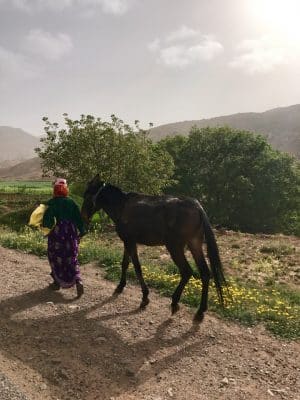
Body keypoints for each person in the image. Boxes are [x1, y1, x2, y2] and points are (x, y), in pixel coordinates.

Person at [42, 178, 86, 298]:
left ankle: (57, 282)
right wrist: (81, 232)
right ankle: (78, 280)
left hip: (57, 233)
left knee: (55, 256)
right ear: (66, 190)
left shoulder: (51, 203)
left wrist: (45, 230)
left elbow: (47, 220)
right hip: (71, 232)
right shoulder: (72, 203)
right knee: (72, 257)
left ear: (55, 190)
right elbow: (79, 219)